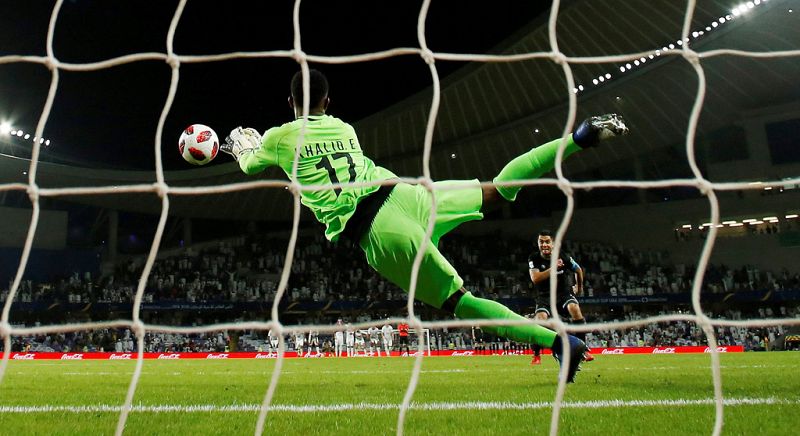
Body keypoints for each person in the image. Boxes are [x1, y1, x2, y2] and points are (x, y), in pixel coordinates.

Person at [222, 69, 628, 383]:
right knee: (496, 190)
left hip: (381, 232)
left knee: (461, 303)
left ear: (289, 100)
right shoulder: (344, 128)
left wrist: (246, 145)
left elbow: (251, 162)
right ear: (328, 100)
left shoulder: (280, 136)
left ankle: (560, 342)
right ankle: (576, 137)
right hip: (405, 194)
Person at [528, 229, 595, 363]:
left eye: (547, 242)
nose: (544, 245)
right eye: (541, 242)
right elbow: (535, 278)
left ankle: (583, 350)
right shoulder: (533, 258)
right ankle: (536, 354)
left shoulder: (562, 256)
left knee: (575, 308)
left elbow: (578, 269)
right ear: (538, 243)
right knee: (540, 318)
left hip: (563, 294)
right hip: (544, 296)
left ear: (553, 243)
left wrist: (579, 287)